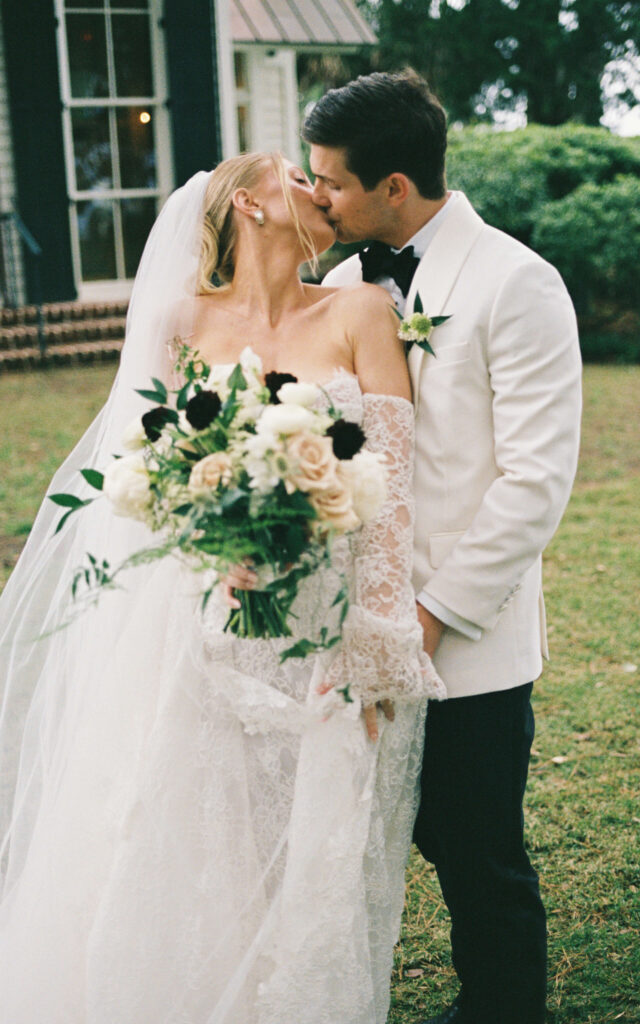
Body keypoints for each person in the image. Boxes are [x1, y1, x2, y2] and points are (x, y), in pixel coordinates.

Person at [0, 152, 445, 1023]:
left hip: (322, 628)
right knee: (195, 829)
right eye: (299, 177)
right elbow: (149, 473)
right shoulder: (176, 320)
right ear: (251, 202)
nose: (321, 191)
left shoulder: (362, 310)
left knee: (310, 840)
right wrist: (212, 539)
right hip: (202, 620)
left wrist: (375, 645)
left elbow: (390, 489)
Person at [302, 69, 583, 1024]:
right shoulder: (341, 285)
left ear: (392, 185)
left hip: (466, 635)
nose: (317, 198)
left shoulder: (517, 281)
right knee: (392, 832)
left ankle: (506, 1008)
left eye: (331, 181)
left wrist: (426, 618)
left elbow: (535, 482)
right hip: (355, 622)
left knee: (476, 848)